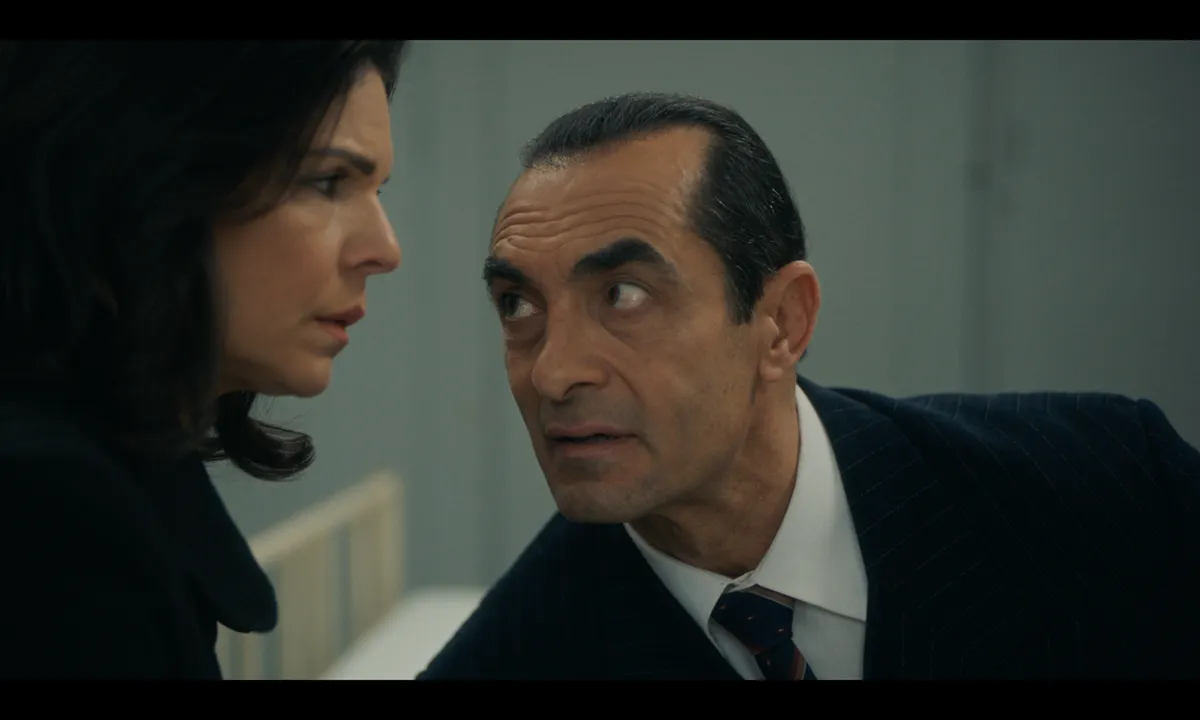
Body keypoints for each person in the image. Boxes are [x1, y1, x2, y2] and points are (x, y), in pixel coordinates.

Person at [419, 92, 1200, 680]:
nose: (553, 372)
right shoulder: (515, 658)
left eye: (623, 294)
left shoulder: (1113, 489)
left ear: (782, 322)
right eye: (518, 305)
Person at [0, 40, 406, 678]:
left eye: (377, 189)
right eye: (327, 182)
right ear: (139, 180)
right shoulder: (46, 514)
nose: (385, 249)